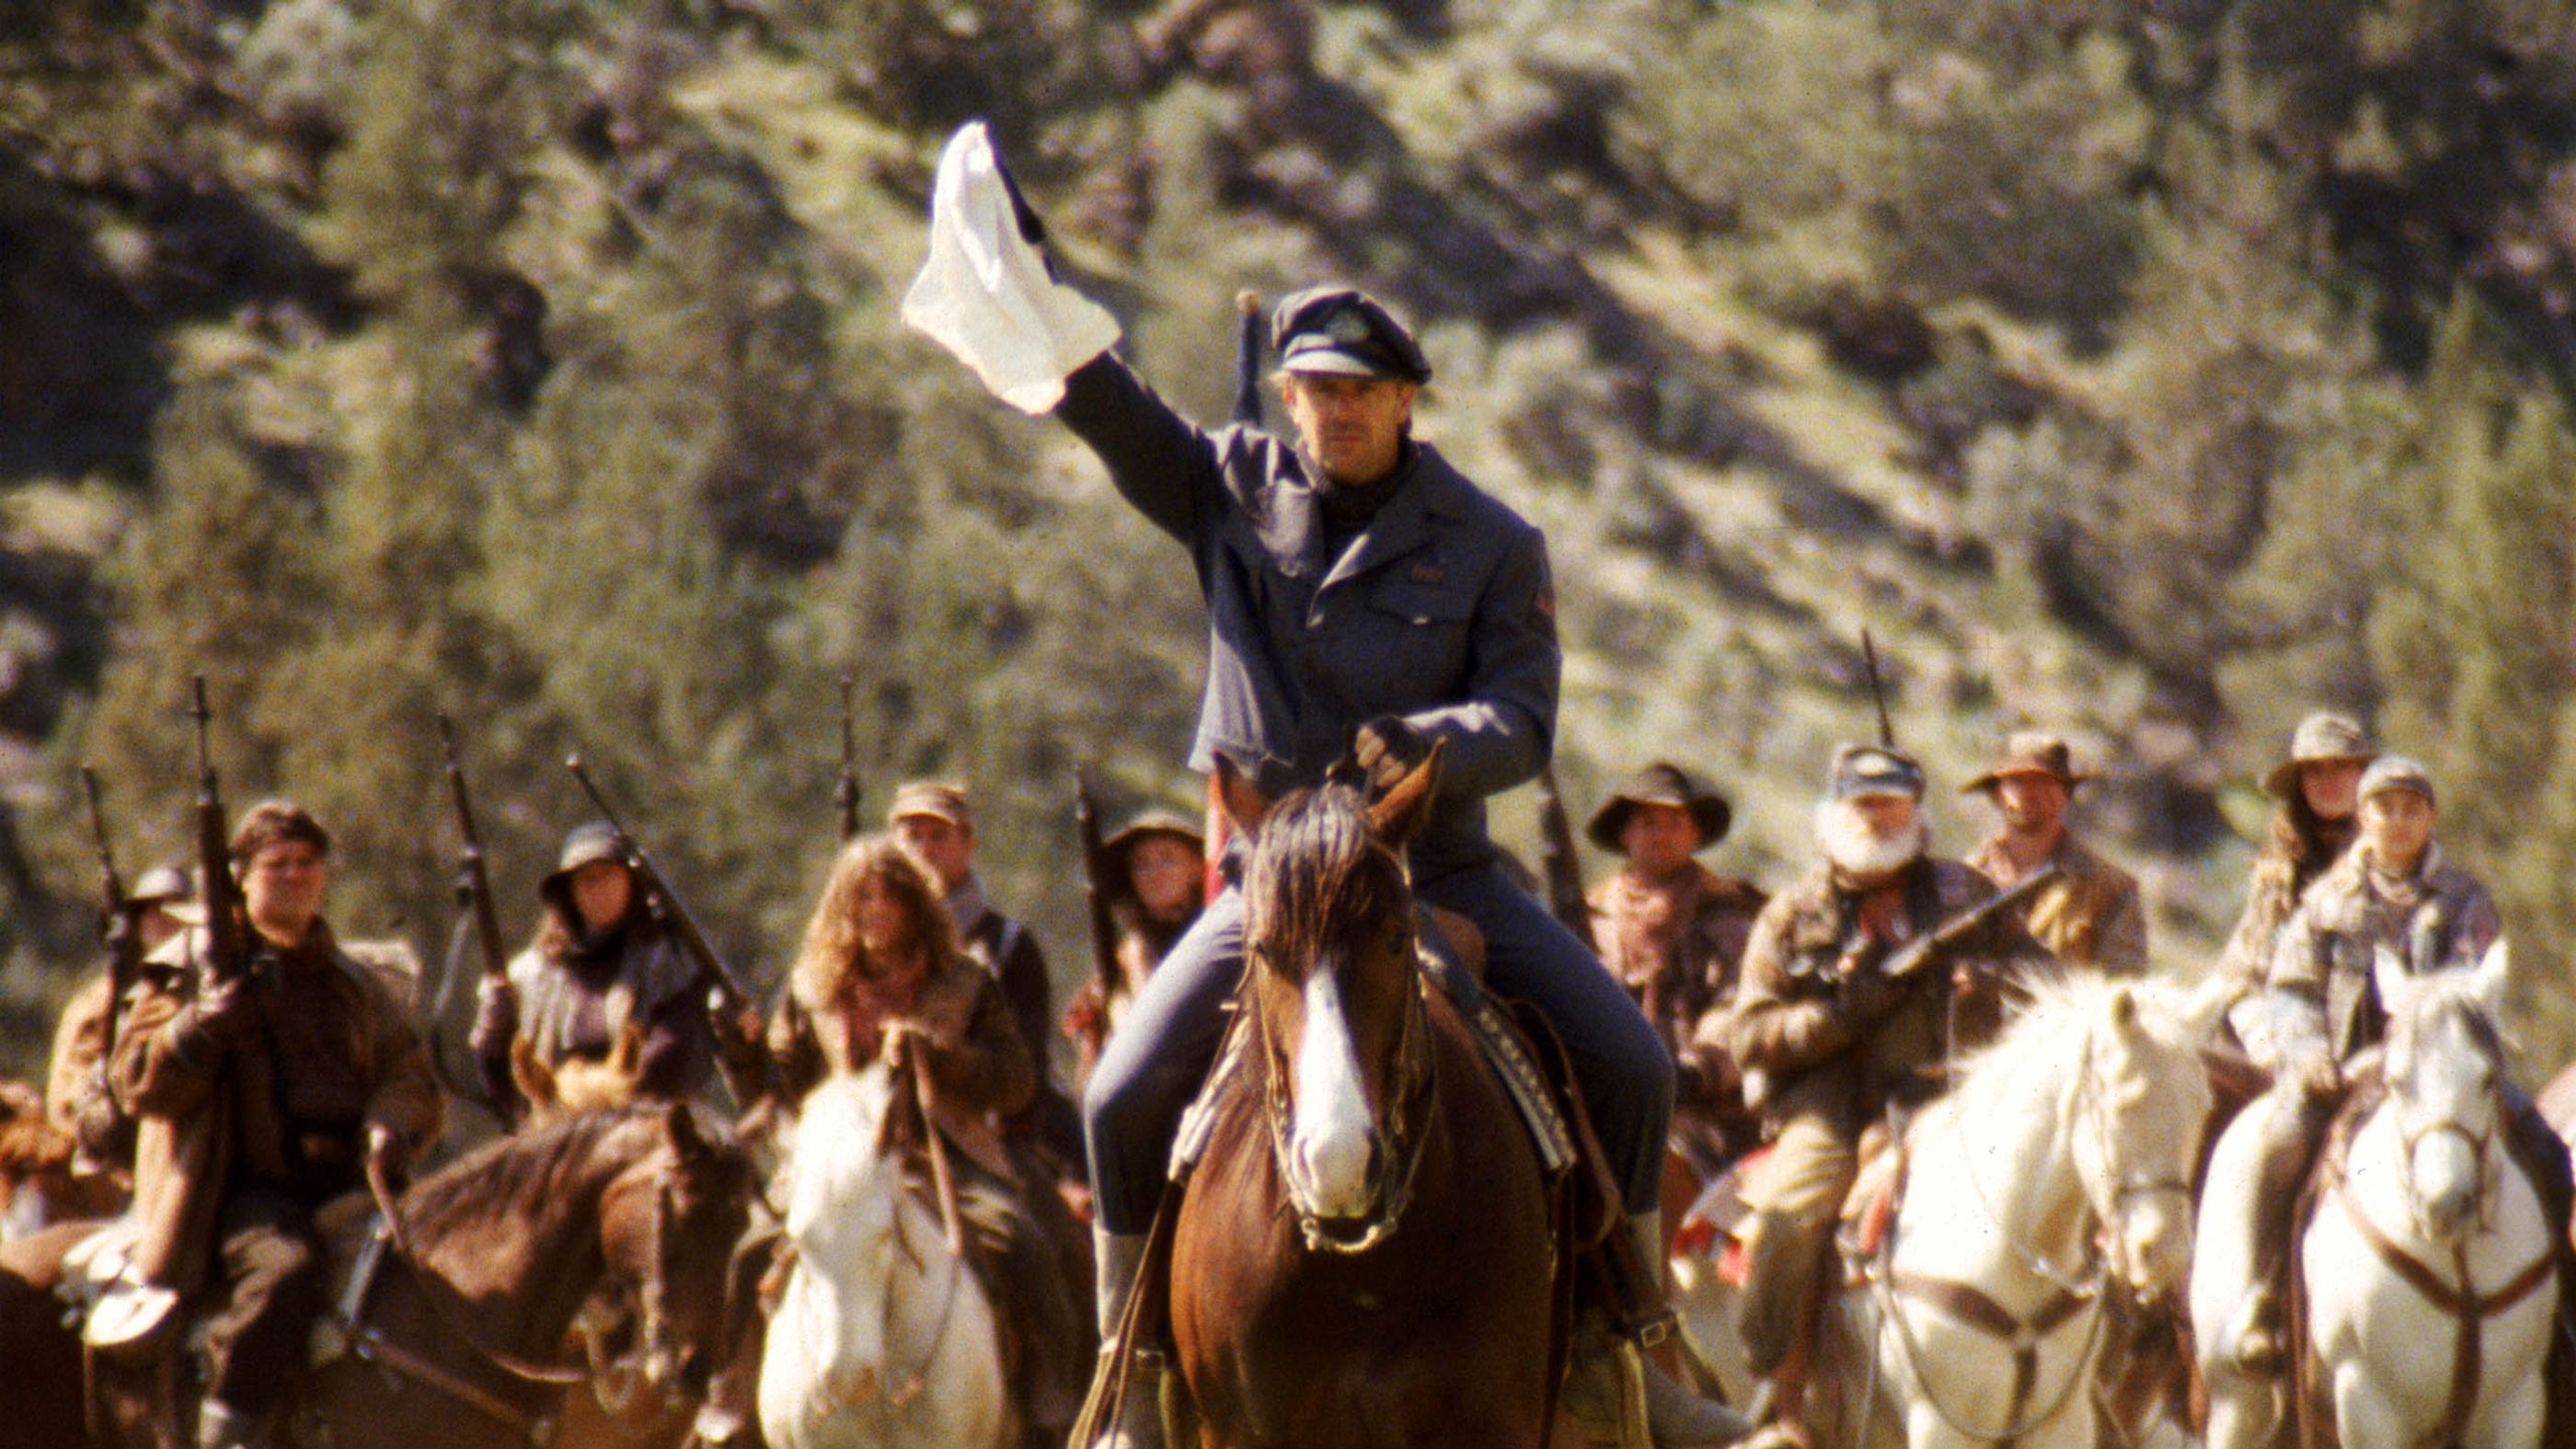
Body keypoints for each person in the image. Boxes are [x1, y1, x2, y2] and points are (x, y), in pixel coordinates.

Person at [908, 135, 1730, 1442]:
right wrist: (1022, 266)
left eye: (1359, 390)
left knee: (1630, 1062)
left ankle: (1632, 1342)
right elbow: (1098, 395)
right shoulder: (1222, 487)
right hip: (1274, 884)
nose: (1332, 409)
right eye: (1311, 388)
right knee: (1123, 1094)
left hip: (1433, 869)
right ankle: (1138, 1374)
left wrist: (1427, 744)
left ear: (1410, 399)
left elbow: (1525, 718)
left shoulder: (1495, 543)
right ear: (1286, 397)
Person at [1721, 745, 2051, 1448]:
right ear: (1835, 811)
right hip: (1831, 1109)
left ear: (1916, 810)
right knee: (1785, 1220)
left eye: (1892, 801)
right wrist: (1840, 1016)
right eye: (1864, 801)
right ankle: (1776, 1392)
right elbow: (1749, 1034)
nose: (1878, 815)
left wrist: (1994, 981)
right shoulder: (1791, 913)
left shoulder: (1966, 892)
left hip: (1950, 1094)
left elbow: (2047, 978)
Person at [2207, 755, 2560, 1373]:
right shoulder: (2323, 902)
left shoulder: (2465, 896)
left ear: (2430, 817)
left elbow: (2473, 979)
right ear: (2363, 817)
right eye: (2384, 809)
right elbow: (2291, 991)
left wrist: (2413, 1049)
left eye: (2411, 809)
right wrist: (2310, 1056)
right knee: (2280, 1145)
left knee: (2543, 1144)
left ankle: (2560, 1308)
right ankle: (2265, 1294)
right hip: (2339, 1076)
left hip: (2443, 1073)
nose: (2398, 822)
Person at [109, 801, 443, 1449]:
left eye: (307, 862)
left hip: (350, 1185)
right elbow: (134, 1077)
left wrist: (389, 1125)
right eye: (276, 864)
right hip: (236, 1193)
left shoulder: (357, 980)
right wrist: (196, 1027)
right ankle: (227, 1430)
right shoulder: (189, 966)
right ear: (239, 876)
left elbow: (410, 1072)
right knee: (286, 1272)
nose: (294, 875)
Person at [765, 834, 1090, 1447]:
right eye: (863, 900)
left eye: (890, 898)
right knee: (749, 1253)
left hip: (945, 1160)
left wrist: (939, 1055)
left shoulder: (964, 981)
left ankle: (1051, 1402)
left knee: (1025, 1246)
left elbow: (1018, 1082)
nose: (876, 911)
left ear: (915, 906)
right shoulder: (812, 987)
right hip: (836, 1168)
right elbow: (782, 1084)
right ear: (843, 907)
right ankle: (729, 1402)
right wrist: (746, 1048)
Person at [468, 822, 730, 1125]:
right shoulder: (531, 974)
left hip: (649, 1125)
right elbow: (504, 1089)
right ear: (571, 893)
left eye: (609, 876)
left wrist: (601, 1098)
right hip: (553, 1130)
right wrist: (492, 1039)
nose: (599, 889)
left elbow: (679, 1052)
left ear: (631, 882)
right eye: (587, 881)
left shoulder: (666, 958)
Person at [888, 780, 1083, 1167]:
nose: (925, 850)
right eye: (913, 838)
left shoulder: (1008, 945)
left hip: (982, 1139)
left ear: (968, 844)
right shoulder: (869, 943)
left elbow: (1025, 1079)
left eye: (939, 836)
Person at [1584, 763, 1766, 1167]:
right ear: (1625, 832)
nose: (1661, 833)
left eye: (1675, 822)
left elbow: (1738, 1008)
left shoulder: (1728, 916)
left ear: (1696, 833)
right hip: (1599, 1101)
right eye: (1648, 822)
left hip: (1703, 1111)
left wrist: (1694, 1071)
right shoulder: (1587, 918)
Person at [2215, 711, 2374, 1012]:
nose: (2328, 781)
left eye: (2340, 767)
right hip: (2280, 1013)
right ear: (2300, 783)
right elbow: (2246, 959)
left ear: (2363, 775)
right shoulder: (2279, 865)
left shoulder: (2387, 855)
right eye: (2314, 771)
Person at [48, 864, 194, 1176]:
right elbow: (67, 1098)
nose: (166, 920)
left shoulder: (214, 989)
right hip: (117, 1163)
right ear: (137, 924)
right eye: (154, 911)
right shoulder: (98, 1004)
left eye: (177, 909)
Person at [1961, 731, 2147, 974]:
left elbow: (2124, 986)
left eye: (2043, 781)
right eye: (2016, 782)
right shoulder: (1959, 881)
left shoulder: (2112, 888)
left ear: (2066, 794)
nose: (2029, 793)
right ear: (1996, 794)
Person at [1062, 809, 1207, 1090]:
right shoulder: (1125, 962)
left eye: (1168, 859)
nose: (1155, 873)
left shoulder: (1220, 943)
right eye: (1142, 864)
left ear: (1197, 868)